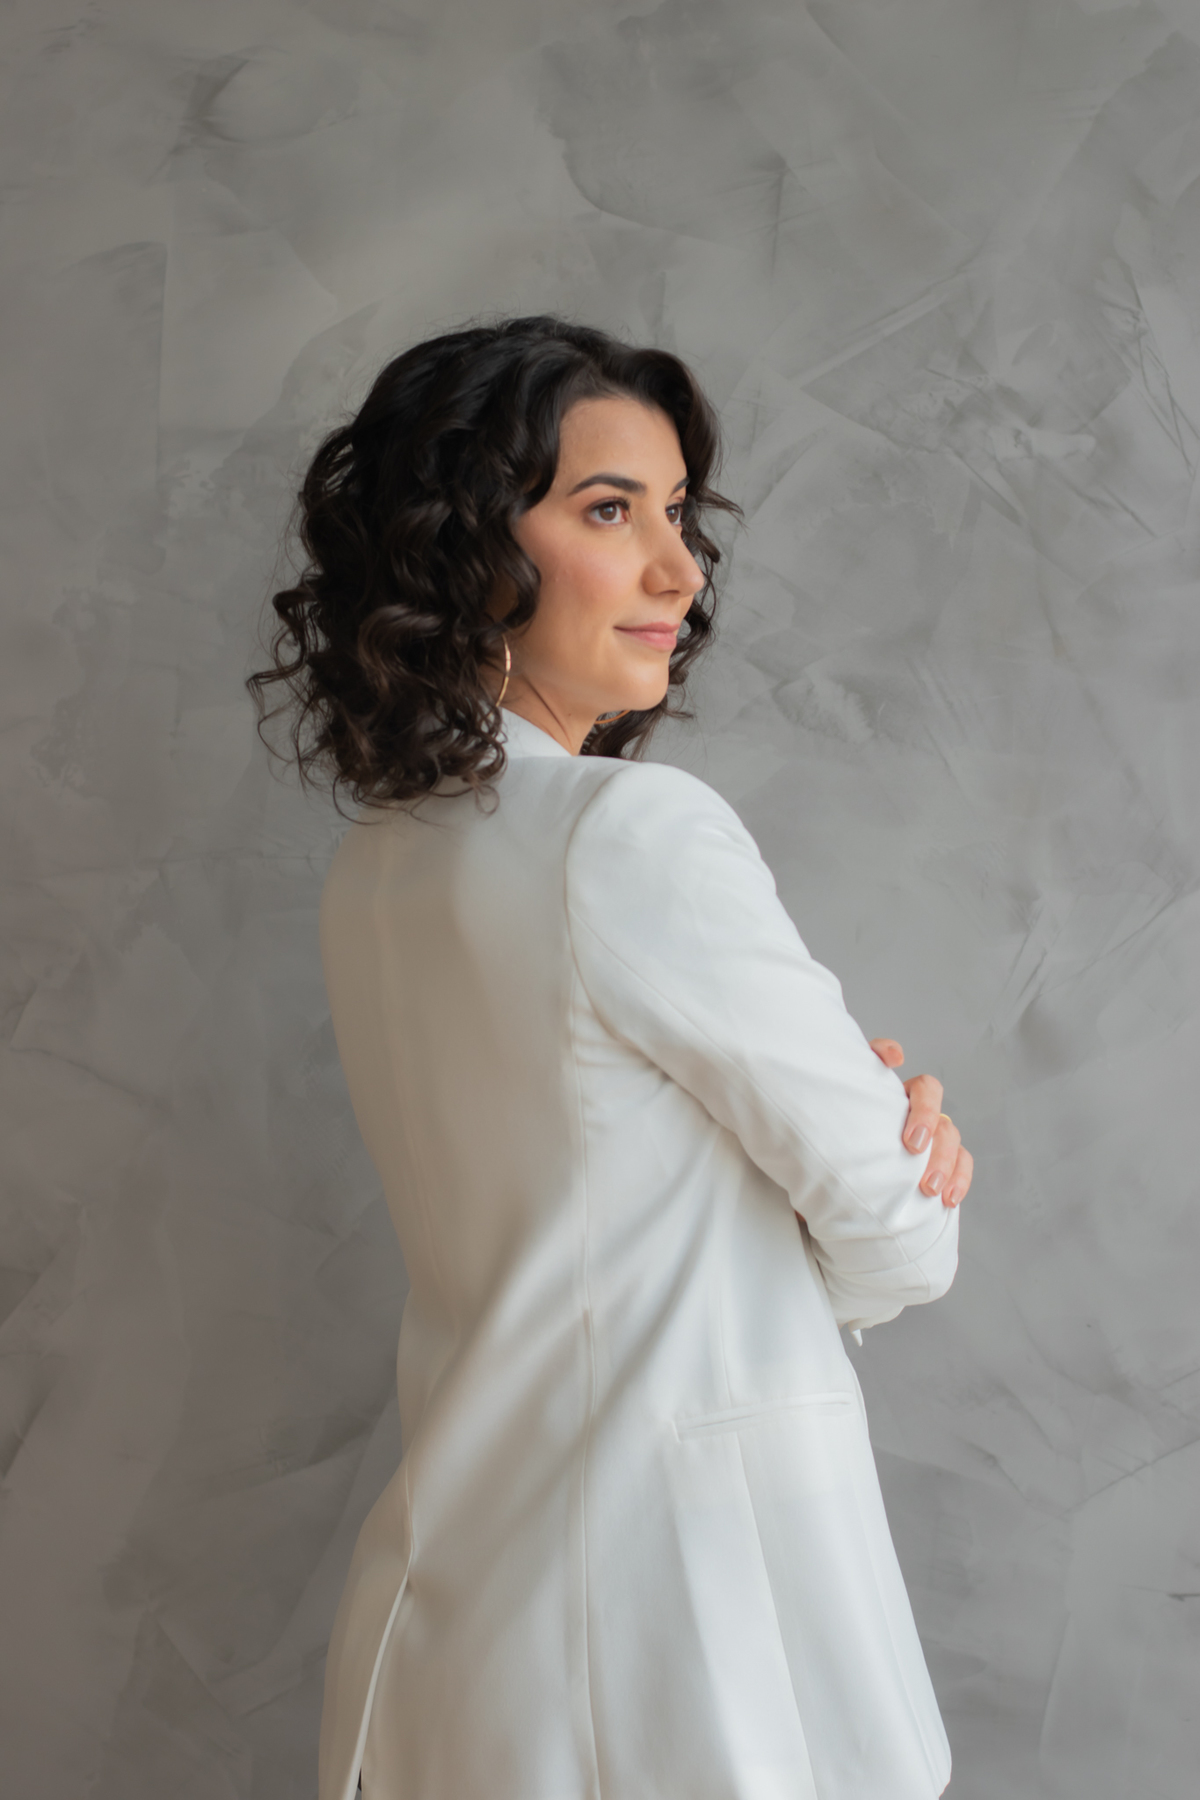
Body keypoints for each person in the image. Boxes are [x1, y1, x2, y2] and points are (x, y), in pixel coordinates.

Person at [248, 315, 974, 1800]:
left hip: (454, 1636)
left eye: (677, 514)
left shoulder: (383, 863)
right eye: (606, 511)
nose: (679, 570)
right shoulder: (630, 836)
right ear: (467, 550)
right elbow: (903, 1230)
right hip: (673, 1647)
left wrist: (776, 1182)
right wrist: (854, 1164)